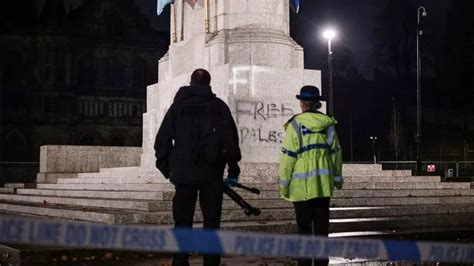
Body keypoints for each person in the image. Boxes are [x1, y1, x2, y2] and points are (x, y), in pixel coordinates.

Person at [154, 68, 241, 266]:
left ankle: (180, 261)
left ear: (191, 83)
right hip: (212, 173)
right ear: (209, 84)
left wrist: (168, 169)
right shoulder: (219, 107)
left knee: (182, 223)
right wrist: (233, 168)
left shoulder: (178, 107)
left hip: (183, 174)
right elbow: (230, 140)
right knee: (211, 224)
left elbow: (162, 140)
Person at [278, 85, 343, 266]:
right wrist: (337, 180)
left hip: (301, 189)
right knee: (322, 230)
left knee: (304, 230)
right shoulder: (328, 124)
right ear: (317, 103)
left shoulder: (295, 125)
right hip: (322, 187)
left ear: (302, 104)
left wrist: (284, 185)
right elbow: (336, 154)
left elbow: (288, 158)